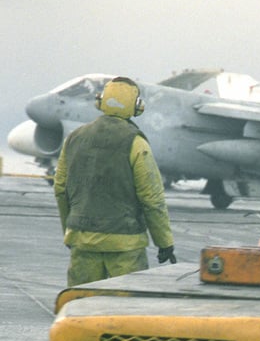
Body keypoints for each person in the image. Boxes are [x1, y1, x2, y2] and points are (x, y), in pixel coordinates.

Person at [54, 76, 175, 287]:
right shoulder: (136, 143)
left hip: (82, 242)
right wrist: (164, 243)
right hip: (125, 246)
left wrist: (70, 230)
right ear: (136, 106)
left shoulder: (74, 138)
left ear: (101, 101)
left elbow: (60, 189)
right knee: (126, 312)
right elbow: (152, 198)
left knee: (81, 309)